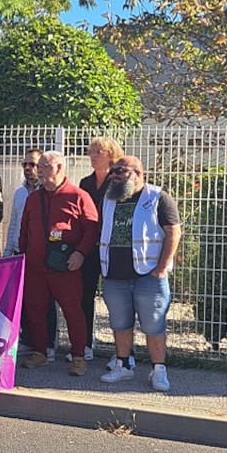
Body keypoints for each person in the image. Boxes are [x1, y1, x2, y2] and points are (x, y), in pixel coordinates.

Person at [98, 156, 182, 391]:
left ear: (138, 173)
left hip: (148, 275)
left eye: (121, 171)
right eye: (113, 170)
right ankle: (123, 366)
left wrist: (163, 266)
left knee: (154, 325)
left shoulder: (157, 197)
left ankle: (159, 370)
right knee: (120, 324)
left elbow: (173, 231)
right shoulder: (108, 199)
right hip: (114, 274)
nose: (114, 175)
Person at [18, 151, 99, 376]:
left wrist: (81, 253)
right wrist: (23, 256)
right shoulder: (33, 198)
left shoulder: (79, 196)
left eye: (45, 166)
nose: (39, 171)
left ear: (60, 168)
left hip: (65, 268)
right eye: (39, 166)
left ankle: (79, 356)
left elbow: (92, 230)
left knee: (73, 312)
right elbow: (24, 230)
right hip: (35, 267)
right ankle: (40, 352)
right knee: (36, 311)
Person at [5, 149, 58, 363]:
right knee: (25, 299)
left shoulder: (49, 193)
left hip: (43, 253)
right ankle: (29, 340)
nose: (29, 168)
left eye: (33, 164)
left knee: (47, 300)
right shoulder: (19, 193)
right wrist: (9, 251)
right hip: (20, 250)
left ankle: (49, 345)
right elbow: (14, 223)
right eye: (25, 164)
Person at [78, 137, 125, 362]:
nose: (93, 155)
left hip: (111, 248)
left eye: (99, 151)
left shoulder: (117, 181)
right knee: (84, 296)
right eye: (91, 151)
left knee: (115, 298)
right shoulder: (85, 183)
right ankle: (85, 345)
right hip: (89, 247)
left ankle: (123, 353)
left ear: (110, 154)